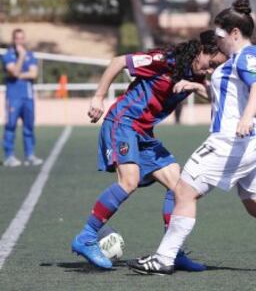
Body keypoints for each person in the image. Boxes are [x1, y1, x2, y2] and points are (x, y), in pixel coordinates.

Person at [128, 0, 256, 275]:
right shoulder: (243, 58)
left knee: (183, 190)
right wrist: (196, 86)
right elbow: (229, 98)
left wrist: (246, 118)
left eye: (219, 35)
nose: (217, 41)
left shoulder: (246, 56)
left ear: (235, 34)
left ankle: (164, 258)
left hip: (232, 141)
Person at [71, 30, 227, 270]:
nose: (209, 71)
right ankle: (87, 236)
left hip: (143, 134)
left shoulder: (194, 75)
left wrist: (196, 87)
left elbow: (214, 97)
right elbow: (119, 62)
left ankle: (170, 252)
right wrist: (98, 97)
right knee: (129, 181)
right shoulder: (165, 60)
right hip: (122, 123)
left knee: (180, 187)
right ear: (201, 51)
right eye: (211, 64)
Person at [1, 28, 43, 167]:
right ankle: (9, 156)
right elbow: (13, 71)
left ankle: (30, 155)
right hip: (13, 97)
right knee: (10, 125)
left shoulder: (31, 55)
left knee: (29, 127)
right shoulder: (8, 55)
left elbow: (33, 74)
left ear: (24, 39)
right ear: (13, 40)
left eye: (22, 38)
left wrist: (19, 73)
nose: (19, 41)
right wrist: (21, 57)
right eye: (17, 38)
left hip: (28, 97)